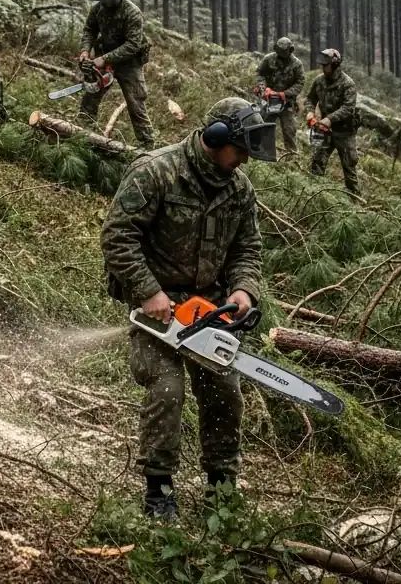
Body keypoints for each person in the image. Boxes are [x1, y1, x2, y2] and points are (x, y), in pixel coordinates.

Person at [101, 97, 266, 520]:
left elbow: (247, 249)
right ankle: (159, 490)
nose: (245, 159)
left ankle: (222, 487)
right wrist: (147, 291)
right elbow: (118, 236)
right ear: (216, 139)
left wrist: (244, 290)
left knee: (225, 392)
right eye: (240, 148)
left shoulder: (238, 188)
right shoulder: (156, 171)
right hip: (155, 310)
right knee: (167, 388)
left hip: (206, 310)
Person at [78, 0, 154, 149]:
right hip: (104, 57)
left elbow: (132, 45)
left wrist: (103, 59)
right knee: (91, 94)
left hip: (129, 63)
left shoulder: (132, 12)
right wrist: (85, 51)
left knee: (136, 103)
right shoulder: (98, 9)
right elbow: (89, 29)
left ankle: (147, 145)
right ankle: (82, 132)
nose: (103, 0)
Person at [305, 47, 360, 196]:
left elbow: (348, 108)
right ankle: (315, 196)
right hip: (325, 131)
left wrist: (330, 119)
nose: (323, 68)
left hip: (344, 132)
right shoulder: (319, 81)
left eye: (326, 65)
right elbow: (310, 98)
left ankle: (355, 199)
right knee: (317, 164)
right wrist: (310, 112)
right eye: (322, 65)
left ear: (335, 65)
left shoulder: (348, 83)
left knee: (349, 169)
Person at [254, 36, 305, 153]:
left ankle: (291, 157)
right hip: (269, 100)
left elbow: (300, 82)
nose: (281, 53)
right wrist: (263, 89)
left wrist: (285, 94)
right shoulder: (269, 59)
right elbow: (259, 74)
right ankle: (262, 152)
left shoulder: (297, 64)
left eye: (284, 51)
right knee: (263, 125)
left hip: (286, 103)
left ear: (290, 50)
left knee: (289, 130)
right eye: (279, 50)